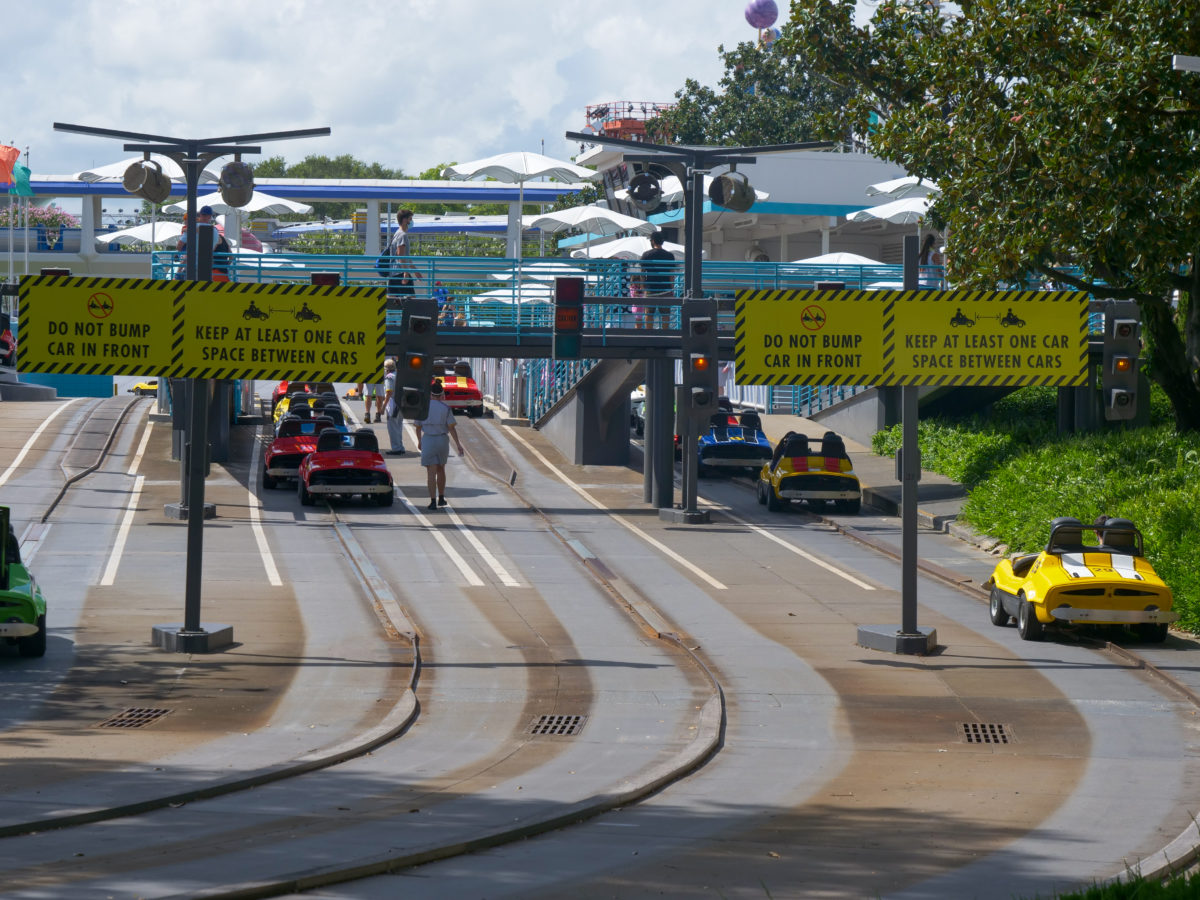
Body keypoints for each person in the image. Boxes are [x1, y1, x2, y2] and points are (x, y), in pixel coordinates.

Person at [414, 379, 464, 511]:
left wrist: (419, 441)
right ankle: (441, 497)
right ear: (441, 394)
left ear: (430, 394)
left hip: (428, 439)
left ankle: (432, 501)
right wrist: (458, 444)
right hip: (442, 440)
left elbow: (418, 427)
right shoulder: (446, 408)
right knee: (441, 468)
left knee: (431, 472)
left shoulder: (422, 408)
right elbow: (452, 428)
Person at [639, 231, 676, 329]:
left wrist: (643, 289)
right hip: (666, 289)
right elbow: (671, 274)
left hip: (650, 289)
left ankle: (649, 336)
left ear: (653, 241)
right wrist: (672, 289)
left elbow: (642, 273)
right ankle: (665, 336)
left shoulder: (646, 255)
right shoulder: (670, 256)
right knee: (665, 315)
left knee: (649, 313)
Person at [386, 209, 422, 300]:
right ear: (405, 220)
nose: (411, 221)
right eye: (410, 219)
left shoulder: (396, 234)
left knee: (392, 303)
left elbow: (405, 257)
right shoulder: (403, 235)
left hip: (393, 273)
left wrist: (415, 271)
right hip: (400, 272)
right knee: (412, 302)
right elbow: (400, 255)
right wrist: (406, 273)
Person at [381, 358, 405, 455]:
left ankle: (396, 448)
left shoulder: (389, 377)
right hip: (401, 403)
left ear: (386, 369)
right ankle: (400, 446)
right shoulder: (399, 375)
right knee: (399, 426)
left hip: (393, 404)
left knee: (392, 427)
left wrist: (383, 407)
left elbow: (389, 392)